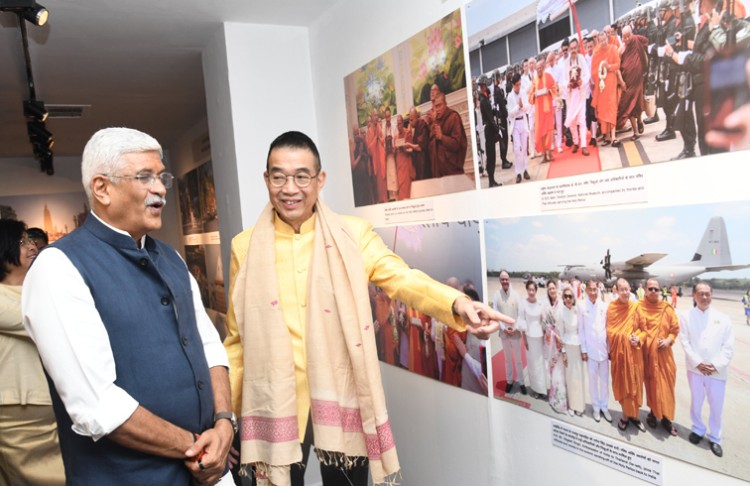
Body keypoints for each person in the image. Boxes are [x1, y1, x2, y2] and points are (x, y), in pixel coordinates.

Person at [223, 131, 510, 486]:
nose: (290, 188)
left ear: (320, 179)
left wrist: (459, 302)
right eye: (278, 176)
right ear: (266, 180)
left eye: (301, 176)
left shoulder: (353, 235)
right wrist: (227, 418)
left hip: (341, 397)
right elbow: (238, 340)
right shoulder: (244, 247)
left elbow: (402, 278)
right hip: (273, 401)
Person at [22, 128, 234, 485]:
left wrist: (225, 422)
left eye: (162, 176)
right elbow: (97, 406)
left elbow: (209, 346)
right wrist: (196, 447)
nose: (162, 188)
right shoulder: (58, 267)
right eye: (145, 177)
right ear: (102, 188)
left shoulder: (170, 257)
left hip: (210, 470)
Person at [0, 220, 65, 485]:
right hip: (17, 408)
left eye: (30, 240)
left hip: (53, 402)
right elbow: (42, 323)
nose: (32, 247)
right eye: (22, 242)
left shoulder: (39, 290)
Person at [679, 282, 734, 458]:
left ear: (711, 295)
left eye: (707, 294)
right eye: (701, 294)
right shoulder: (686, 316)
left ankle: (715, 438)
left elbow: (728, 347)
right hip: (695, 369)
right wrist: (697, 363)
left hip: (716, 372)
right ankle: (697, 429)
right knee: (696, 401)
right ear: (694, 295)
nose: (704, 297)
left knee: (716, 405)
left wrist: (715, 365)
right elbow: (685, 341)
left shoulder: (723, 319)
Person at [634, 278, 680, 436]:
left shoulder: (666, 308)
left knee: (666, 387)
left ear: (660, 290)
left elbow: (675, 330)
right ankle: (653, 413)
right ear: (645, 290)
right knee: (652, 386)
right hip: (648, 356)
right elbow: (635, 328)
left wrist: (668, 341)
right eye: (651, 289)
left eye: (656, 289)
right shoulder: (639, 307)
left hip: (665, 357)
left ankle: (667, 418)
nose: (653, 291)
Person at [606, 278, 645, 432]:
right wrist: (624, 337)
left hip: (634, 355)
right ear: (616, 290)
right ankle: (625, 416)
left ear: (631, 290)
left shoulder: (636, 307)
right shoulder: (612, 308)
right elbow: (610, 330)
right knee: (624, 385)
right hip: (620, 355)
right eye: (622, 289)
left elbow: (644, 329)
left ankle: (635, 416)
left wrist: (639, 338)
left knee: (635, 385)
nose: (625, 292)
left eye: (627, 289)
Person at [578, 279, 611, 423]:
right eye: (590, 289)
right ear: (586, 290)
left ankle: (604, 407)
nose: (593, 292)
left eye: (595, 289)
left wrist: (609, 349)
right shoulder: (581, 306)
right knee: (592, 381)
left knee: (604, 381)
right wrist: (584, 350)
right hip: (590, 352)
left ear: (598, 290)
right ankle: (596, 408)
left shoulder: (604, 306)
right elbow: (581, 330)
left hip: (603, 351)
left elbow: (607, 329)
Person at [492, 270, 525, 395]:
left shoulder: (516, 295)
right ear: (500, 280)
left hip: (515, 332)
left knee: (518, 359)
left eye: (506, 279)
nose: (504, 281)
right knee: (507, 359)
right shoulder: (496, 295)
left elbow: (521, 314)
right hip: (504, 333)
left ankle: (521, 382)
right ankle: (510, 381)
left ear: (509, 279)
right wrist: (503, 327)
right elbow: (496, 314)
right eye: (502, 279)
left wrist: (515, 327)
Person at [617, 25, 649, 142]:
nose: (626, 39)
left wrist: (645, 68)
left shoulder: (637, 40)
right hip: (628, 83)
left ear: (632, 34)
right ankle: (635, 131)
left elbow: (645, 52)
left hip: (638, 80)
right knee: (629, 106)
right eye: (624, 37)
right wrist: (621, 81)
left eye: (628, 36)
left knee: (639, 105)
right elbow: (617, 67)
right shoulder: (621, 50)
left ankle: (640, 120)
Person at [591, 30, 622, 147]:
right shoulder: (596, 54)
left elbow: (618, 64)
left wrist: (608, 66)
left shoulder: (613, 49)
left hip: (611, 83)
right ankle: (607, 136)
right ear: (598, 41)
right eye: (601, 40)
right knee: (603, 111)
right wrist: (600, 69)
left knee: (612, 108)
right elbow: (593, 72)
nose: (603, 42)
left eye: (605, 39)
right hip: (601, 86)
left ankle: (614, 137)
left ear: (607, 39)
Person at [518, 280, 547, 399]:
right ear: (527, 290)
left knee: (540, 364)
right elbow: (522, 321)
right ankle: (535, 388)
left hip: (540, 336)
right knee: (532, 363)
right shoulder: (523, 303)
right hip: (529, 337)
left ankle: (542, 389)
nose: (531, 292)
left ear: (536, 290)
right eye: (529, 289)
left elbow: (543, 320)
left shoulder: (540, 303)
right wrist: (524, 339)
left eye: (533, 290)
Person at [563, 37, 591, 156]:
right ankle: (575, 142)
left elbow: (587, 75)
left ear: (578, 47)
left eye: (575, 48)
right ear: (569, 49)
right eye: (572, 48)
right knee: (573, 121)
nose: (573, 50)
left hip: (580, 93)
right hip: (570, 95)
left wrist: (582, 82)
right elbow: (563, 79)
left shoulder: (582, 59)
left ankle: (584, 145)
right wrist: (567, 84)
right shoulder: (566, 63)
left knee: (582, 119)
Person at [429, 92, 468, 178]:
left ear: (445, 104)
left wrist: (442, 137)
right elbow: (430, 143)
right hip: (438, 170)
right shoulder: (436, 121)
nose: (437, 109)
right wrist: (433, 122)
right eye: (436, 106)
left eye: (440, 105)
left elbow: (457, 144)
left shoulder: (453, 117)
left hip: (451, 169)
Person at [560, 286, 585, 416]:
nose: (568, 299)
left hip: (578, 346)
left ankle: (579, 405)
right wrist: (563, 352)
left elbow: (581, 329)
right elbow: (560, 333)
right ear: (563, 298)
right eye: (566, 296)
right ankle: (572, 405)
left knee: (579, 376)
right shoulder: (561, 312)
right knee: (570, 378)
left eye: (570, 296)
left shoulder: (577, 310)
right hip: (568, 347)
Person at [542, 281, 567, 413]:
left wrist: (560, 337)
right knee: (552, 368)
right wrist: (553, 336)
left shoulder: (562, 304)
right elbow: (545, 324)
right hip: (551, 341)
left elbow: (564, 321)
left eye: (553, 288)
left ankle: (561, 398)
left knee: (560, 370)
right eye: (549, 288)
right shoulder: (546, 306)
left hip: (560, 340)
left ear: (557, 289)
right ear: (547, 290)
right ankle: (553, 396)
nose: (552, 290)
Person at [529, 56, 558, 162]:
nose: (539, 70)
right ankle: (545, 155)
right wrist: (534, 95)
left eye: (541, 68)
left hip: (548, 111)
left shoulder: (549, 76)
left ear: (543, 68)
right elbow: (530, 96)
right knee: (540, 133)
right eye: (537, 69)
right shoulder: (535, 81)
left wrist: (548, 91)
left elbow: (555, 88)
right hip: (539, 113)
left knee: (549, 132)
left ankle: (549, 152)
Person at [506, 73, 530, 184]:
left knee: (524, 148)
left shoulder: (523, 92)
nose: (519, 87)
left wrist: (522, 106)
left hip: (523, 122)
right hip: (515, 125)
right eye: (517, 85)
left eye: (520, 84)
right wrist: (518, 106)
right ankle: (518, 173)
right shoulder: (510, 97)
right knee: (517, 149)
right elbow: (510, 114)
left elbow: (528, 107)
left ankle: (525, 169)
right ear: (513, 84)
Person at [478, 76, 500, 187]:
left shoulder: (485, 98)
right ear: (484, 86)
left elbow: (489, 114)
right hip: (489, 129)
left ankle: (492, 180)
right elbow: (489, 119)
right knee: (491, 156)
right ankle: (491, 181)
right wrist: (497, 129)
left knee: (492, 155)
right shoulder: (483, 100)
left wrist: (494, 112)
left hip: (490, 128)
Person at [349, 125, 373, 207]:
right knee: (360, 202)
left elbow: (368, 155)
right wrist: (359, 155)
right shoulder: (351, 146)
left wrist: (364, 142)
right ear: (352, 134)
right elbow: (352, 166)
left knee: (367, 201)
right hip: (357, 181)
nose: (357, 136)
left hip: (365, 179)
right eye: (355, 134)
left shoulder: (361, 143)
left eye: (357, 133)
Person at [366, 111, 386, 203]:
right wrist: (376, 138)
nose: (376, 117)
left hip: (380, 157)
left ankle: (384, 199)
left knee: (382, 179)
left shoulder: (379, 126)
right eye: (375, 115)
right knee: (377, 182)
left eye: (377, 115)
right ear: (372, 116)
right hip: (374, 159)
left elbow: (382, 140)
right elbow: (369, 147)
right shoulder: (369, 130)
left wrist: (379, 138)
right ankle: (379, 200)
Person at [394, 114, 415, 200]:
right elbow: (395, 151)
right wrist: (395, 149)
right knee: (400, 188)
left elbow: (411, 149)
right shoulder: (395, 136)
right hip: (399, 166)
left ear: (402, 123)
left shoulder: (407, 133)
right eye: (397, 124)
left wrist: (404, 148)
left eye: (400, 124)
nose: (399, 126)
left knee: (407, 189)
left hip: (406, 165)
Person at [408, 107, 431, 180]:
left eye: (411, 120)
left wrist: (409, 145)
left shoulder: (422, 125)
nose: (410, 122)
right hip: (418, 162)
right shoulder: (415, 127)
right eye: (409, 120)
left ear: (416, 117)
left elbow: (420, 147)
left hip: (424, 162)